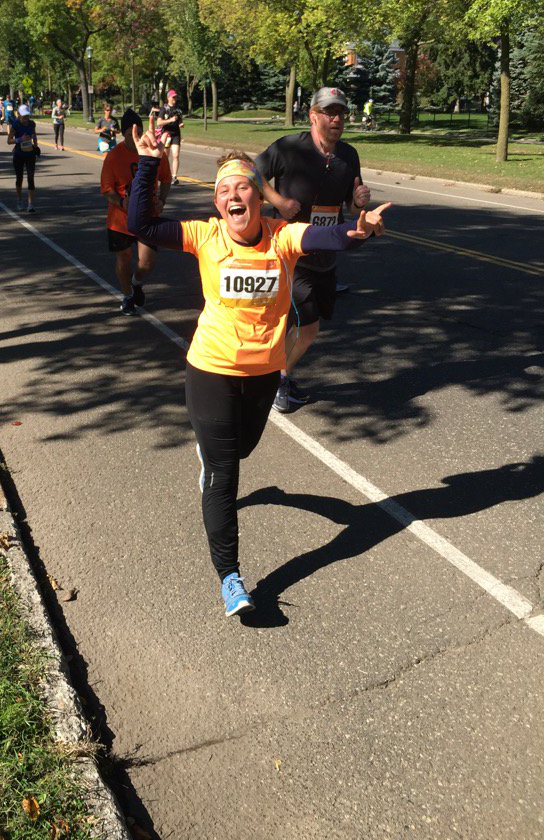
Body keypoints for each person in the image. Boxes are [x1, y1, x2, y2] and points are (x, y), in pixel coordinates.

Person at [127, 130, 389, 616]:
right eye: (224, 190)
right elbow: (141, 224)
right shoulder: (204, 235)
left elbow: (328, 236)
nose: (233, 196)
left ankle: (212, 458)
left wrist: (360, 227)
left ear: (257, 194)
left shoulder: (281, 237)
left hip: (265, 370)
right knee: (226, 474)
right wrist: (146, 164)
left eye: (242, 187)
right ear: (217, 202)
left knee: (242, 450)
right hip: (211, 368)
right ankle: (231, 578)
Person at [254, 86, 371, 411]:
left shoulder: (349, 155)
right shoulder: (289, 148)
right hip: (292, 254)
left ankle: (277, 376)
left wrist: (358, 201)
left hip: (326, 256)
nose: (337, 119)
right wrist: (278, 201)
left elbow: (351, 200)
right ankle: (277, 382)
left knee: (303, 325)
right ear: (313, 115)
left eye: (341, 113)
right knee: (308, 325)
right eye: (330, 112)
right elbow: (251, 172)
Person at [101, 109, 172, 315]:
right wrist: (123, 202)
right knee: (123, 258)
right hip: (119, 219)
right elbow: (107, 189)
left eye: (139, 131)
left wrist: (161, 200)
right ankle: (127, 296)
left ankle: (136, 283)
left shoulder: (154, 151)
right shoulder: (114, 156)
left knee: (147, 261)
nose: (136, 136)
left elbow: (166, 179)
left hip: (148, 215)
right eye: (131, 132)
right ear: (123, 134)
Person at [7, 104, 39, 213]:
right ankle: (20, 200)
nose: (26, 119)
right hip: (19, 155)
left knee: (31, 178)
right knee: (19, 178)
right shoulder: (16, 125)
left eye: (28, 116)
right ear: (19, 115)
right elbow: (9, 140)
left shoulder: (32, 124)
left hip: (30, 154)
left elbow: (34, 135)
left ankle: (30, 204)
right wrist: (20, 139)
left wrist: (35, 145)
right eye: (24, 116)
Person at [156, 88, 184, 184]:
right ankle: (163, 174)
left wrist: (181, 124)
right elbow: (159, 122)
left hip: (176, 134)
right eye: (173, 97)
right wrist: (170, 120)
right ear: (168, 98)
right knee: (165, 157)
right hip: (166, 135)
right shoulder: (164, 109)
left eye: (176, 97)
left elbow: (180, 121)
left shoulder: (178, 110)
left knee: (176, 155)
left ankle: (174, 177)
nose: (175, 99)